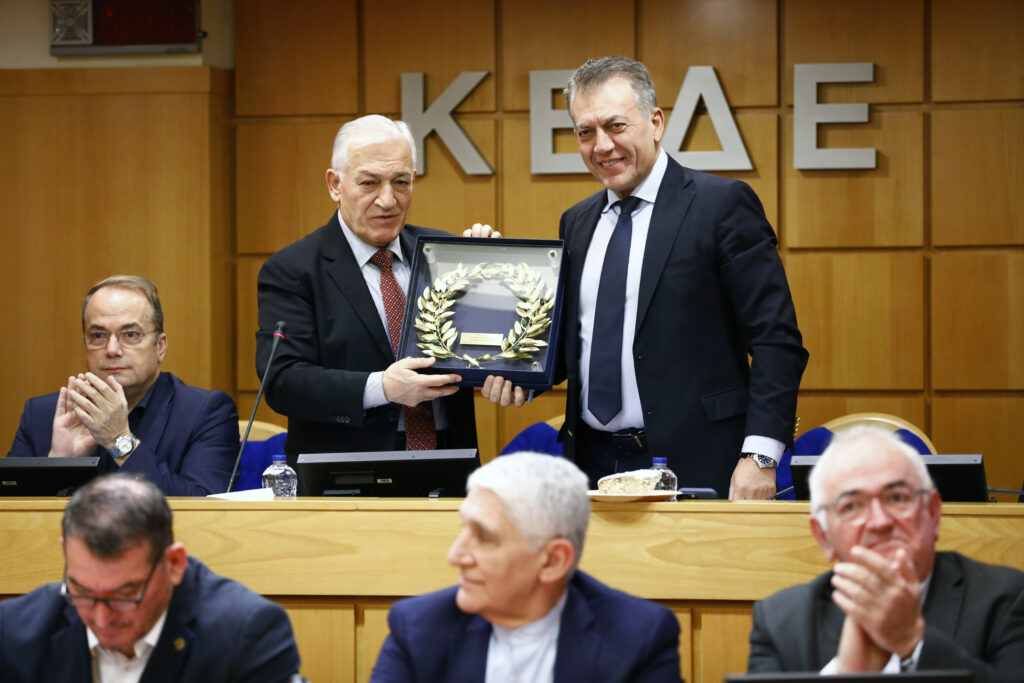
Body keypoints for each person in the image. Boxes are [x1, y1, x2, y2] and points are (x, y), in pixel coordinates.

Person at [481, 57, 807, 500]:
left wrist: (761, 456)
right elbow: (574, 344)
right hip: (592, 465)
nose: (602, 146)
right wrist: (512, 368)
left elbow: (776, 341)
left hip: (700, 463)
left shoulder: (722, 206)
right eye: (585, 132)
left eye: (616, 126)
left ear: (655, 123)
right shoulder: (576, 222)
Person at [256, 115, 488, 471]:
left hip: (450, 460)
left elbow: (487, 349)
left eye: (400, 182)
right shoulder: (293, 270)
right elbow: (283, 380)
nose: (388, 200)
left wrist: (492, 274)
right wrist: (382, 387)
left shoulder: (445, 255)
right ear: (335, 185)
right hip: (346, 473)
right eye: (369, 183)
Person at [370, 452, 682, 682]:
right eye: (464, 530)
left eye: (484, 537)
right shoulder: (419, 629)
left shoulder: (637, 640)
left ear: (553, 561)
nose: (455, 555)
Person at [747, 426, 1024, 680]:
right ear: (823, 536)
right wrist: (845, 673)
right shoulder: (781, 622)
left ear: (932, 513)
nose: (879, 522)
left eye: (897, 498)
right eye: (852, 506)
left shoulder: (1006, 601)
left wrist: (911, 642)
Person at [0, 473, 301, 681]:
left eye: (125, 594)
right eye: (81, 590)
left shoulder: (245, 635)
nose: (101, 619)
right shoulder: (15, 632)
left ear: (174, 564)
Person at [7, 275, 239, 496]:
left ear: (160, 346)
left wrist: (119, 441)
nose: (112, 349)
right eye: (98, 336)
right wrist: (58, 463)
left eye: (130, 334)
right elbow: (9, 512)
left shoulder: (205, 413)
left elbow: (205, 506)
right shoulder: (41, 414)